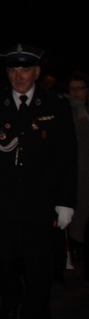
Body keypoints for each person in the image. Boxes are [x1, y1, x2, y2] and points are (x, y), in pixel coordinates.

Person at [0, 43, 77, 319]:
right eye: (14, 69)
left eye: (25, 69)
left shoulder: (56, 105)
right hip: (3, 200)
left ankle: (37, 309)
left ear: (36, 72)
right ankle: (10, 299)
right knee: (5, 260)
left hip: (41, 201)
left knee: (38, 261)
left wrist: (66, 201)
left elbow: (67, 158)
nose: (19, 75)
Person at [66, 70, 89, 273]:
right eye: (72, 89)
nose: (76, 93)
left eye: (80, 88)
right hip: (75, 168)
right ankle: (76, 246)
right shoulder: (66, 111)